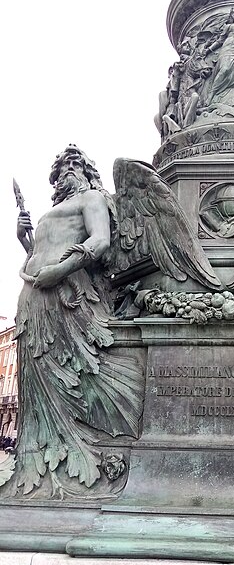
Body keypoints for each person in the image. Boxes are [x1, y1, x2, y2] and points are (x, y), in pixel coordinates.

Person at [11, 145, 143, 498]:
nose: (65, 174)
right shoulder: (55, 210)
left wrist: (60, 270)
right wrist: (26, 240)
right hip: (35, 297)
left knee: (69, 375)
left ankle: (79, 455)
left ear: (86, 171)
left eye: (72, 166)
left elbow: (100, 242)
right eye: (60, 171)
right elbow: (38, 254)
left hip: (66, 295)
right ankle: (39, 455)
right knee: (35, 377)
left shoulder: (92, 199)